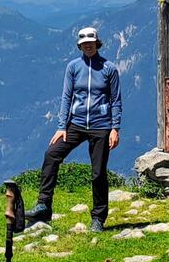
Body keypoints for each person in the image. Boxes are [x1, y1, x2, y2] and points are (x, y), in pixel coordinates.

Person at [25, 25, 122, 231]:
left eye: (91, 43)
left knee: (98, 173)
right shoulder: (73, 67)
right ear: (80, 45)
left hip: (101, 127)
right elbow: (66, 97)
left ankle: (98, 218)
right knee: (52, 154)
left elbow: (116, 100)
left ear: (97, 43)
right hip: (75, 124)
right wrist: (62, 127)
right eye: (84, 43)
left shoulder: (109, 68)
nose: (88, 46)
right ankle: (43, 205)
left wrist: (115, 128)